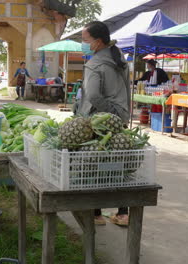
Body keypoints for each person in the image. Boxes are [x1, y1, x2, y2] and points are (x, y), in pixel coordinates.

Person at [77, 21, 131, 226]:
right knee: (120, 162)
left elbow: (92, 95)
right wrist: (120, 115)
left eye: (85, 40)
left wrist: (106, 113)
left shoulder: (94, 64)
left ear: (97, 42)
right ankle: (123, 213)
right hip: (121, 116)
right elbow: (126, 89)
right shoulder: (120, 59)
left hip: (100, 119)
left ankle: (96, 214)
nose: (83, 44)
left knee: (95, 163)